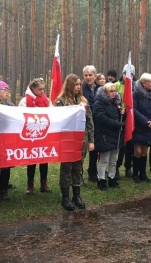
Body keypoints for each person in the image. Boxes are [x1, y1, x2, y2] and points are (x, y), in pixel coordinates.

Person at [56, 74, 94, 211]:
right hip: (67, 141)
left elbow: (90, 121)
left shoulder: (83, 100)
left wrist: (91, 140)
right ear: (69, 85)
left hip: (81, 140)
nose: (78, 87)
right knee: (67, 169)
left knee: (78, 168)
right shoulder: (61, 101)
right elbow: (58, 121)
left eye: (79, 84)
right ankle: (65, 197)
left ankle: (76, 195)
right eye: (75, 84)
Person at [18, 78, 52, 194]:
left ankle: (44, 184)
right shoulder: (25, 101)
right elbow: (20, 116)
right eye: (39, 89)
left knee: (44, 160)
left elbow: (53, 114)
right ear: (33, 88)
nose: (42, 91)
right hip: (31, 135)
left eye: (43, 89)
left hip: (43, 135)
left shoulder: (46, 101)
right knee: (31, 161)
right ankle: (30, 185)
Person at [93, 83, 125, 190]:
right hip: (104, 134)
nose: (114, 93)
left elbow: (117, 116)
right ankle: (101, 179)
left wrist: (122, 113)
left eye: (114, 91)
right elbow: (101, 118)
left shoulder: (115, 103)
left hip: (114, 134)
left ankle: (112, 178)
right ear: (106, 92)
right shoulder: (99, 103)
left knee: (113, 159)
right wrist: (116, 124)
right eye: (111, 91)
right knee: (104, 159)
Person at [132, 73, 151, 183]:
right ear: (144, 83)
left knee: (144, 151)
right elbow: (134, 110)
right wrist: (145, 121)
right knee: (137, 150)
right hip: (140, 125)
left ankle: (143, 174)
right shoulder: (136, 94)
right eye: (150, 82)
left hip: (150, 125)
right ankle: (135, 174)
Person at [0, 80, 15, 200]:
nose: (6, 92)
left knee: (6, 167)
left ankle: (4, 190)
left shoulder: (10, 105)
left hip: (7, 139)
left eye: (7, 90)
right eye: (4, 90)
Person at [114, 64, 136, 179]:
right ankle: (116, 167)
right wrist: (118, 108)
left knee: (130, 145)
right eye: (125, 74)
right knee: (121, 145)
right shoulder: (116, 85)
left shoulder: (135, 87)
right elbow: (111, 99)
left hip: (131, 118)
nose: (127, 76)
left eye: (130, 74)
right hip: (119, 117)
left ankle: (128, 167)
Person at [82, 65, 100, 182]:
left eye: (90, 75)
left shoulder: (100, 88)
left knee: (95, 148)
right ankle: (79, 174)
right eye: (86, 75)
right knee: (82, 149)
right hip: (85, 122)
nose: (88, 78)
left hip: (98, 122)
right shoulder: (81, 88)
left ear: (95, 76)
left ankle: (92, 171)